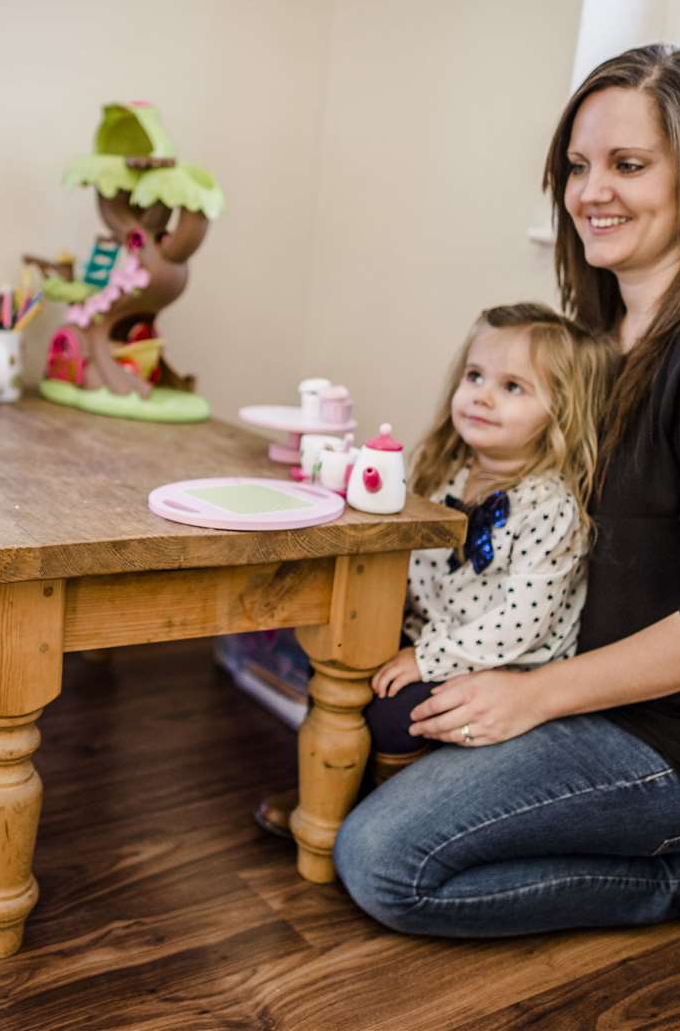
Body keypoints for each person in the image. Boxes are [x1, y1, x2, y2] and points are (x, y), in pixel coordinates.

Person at [330, 43, 680, 937]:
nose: (588, 192)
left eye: (627, 165)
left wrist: (533, 695)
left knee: (385, 864)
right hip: (577, 682)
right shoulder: (602, 332)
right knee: (367, 720)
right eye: (576, 165)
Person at [253, 302, 614, 838]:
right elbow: (409, 574)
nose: (483, 395)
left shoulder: (550, 508)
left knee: (398, 712)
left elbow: (521, 624)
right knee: (339, 654)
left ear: (560, 411)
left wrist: (426, 659)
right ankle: (331, 785)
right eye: (475, 376)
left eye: (514, 387)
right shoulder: (444, 473)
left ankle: (376, 803)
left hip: (502, 669)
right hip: (432, 640)